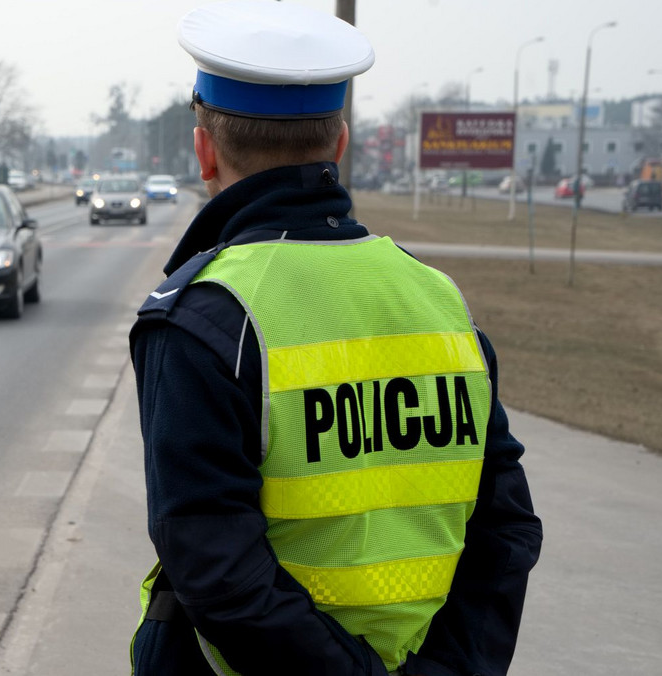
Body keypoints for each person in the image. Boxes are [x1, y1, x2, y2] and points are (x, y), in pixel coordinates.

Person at [128, 3, 543, 675]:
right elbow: (506, 529)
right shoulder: (441, 302)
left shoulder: (206, 318)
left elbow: (217, 572)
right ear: (340, 144)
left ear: (205, 151)